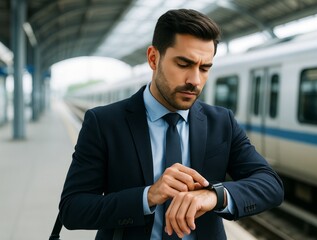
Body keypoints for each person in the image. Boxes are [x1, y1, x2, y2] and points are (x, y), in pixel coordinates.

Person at [59, 9, 284, 240]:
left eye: (204, 68)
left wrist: (215, 195)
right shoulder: (104, 122)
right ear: (153, 58)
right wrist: (147, 196)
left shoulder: (221, 122)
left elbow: (270, 184)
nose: (195, 80)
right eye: (184, 64)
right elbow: (73, 208)